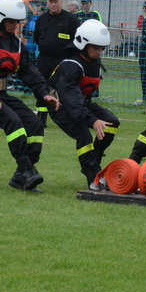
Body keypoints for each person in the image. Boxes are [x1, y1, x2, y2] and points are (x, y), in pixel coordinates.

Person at [0, 0, 59, 191]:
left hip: (2, 96)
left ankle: (21, 175)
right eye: (11, 21)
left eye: (17, 22)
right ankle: (27, 171)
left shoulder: (16, 43)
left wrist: (44, 93)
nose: (15, 26)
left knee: (35, 125)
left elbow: (30, 72)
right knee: (14, 123)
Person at [49, 19, 120, 189]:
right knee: (84, 135)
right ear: (82, 44)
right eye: (95, 48)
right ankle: (92, 175)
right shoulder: (70, 66)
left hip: (81, 103)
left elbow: (82, 100)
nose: (99, 52)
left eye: (101, 48)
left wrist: (94, 117)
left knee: (112, 123)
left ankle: (94, 159)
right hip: (61, 107)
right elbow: (72, 103)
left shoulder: (93, 63)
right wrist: (93, 121)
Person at [33, 0, 79, 124]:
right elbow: (36, 38)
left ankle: (68, 118)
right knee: (41, 88)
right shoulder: (41, 19)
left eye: (55, 1)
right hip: (44, 60)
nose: (53, 4)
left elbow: (77, 40)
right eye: (50, 1)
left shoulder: (71, 19)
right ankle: (41, 118)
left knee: (65, 89)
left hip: (63, 61)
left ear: (61, 2)